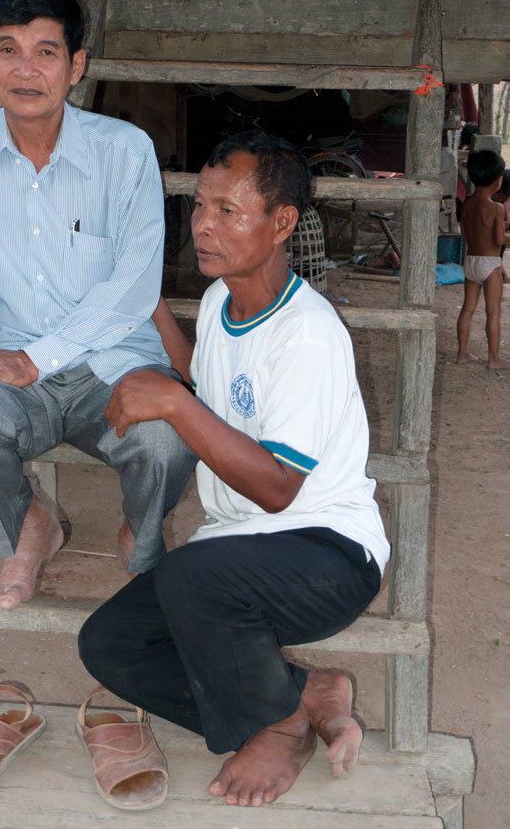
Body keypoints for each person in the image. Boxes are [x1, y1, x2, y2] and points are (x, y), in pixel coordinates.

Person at [77, 130, 390, 809]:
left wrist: (168, 403)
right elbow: (207, 388)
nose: (203, 225)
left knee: (192, 576)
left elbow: (278, 490)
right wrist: (150, 311)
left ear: (281, 224)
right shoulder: (223, 300)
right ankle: (303, 694)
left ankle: (277, 727)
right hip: (236, 552)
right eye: (199, 205)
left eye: (227, 210)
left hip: (325, 554)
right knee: (109, 644)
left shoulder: (307, 333)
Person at [0, 0, 197, 610]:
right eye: (7, 49)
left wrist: (36, 359)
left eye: (46, 51)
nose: (25, 69)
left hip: (113, 366)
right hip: (15, 371)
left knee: (167, 440)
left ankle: (141, 539)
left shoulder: (126, 151)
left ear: (76, 66)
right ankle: (27, 529)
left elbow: (134, 284)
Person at [456, 149, 510, 368]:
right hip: (489, 264)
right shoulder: (496, 208)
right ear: (498, 181)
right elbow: (499, 239)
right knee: (493, 310)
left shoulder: (468, 202)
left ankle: (462, 353)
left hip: (471, 261)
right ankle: (494, 358)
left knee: (467, 309)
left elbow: (466, 232)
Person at [492, 168, 510, 283]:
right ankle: (504, 275)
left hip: (503, 236)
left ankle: (503, 276)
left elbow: (507, 223)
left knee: (496, 253)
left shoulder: (504, 205)